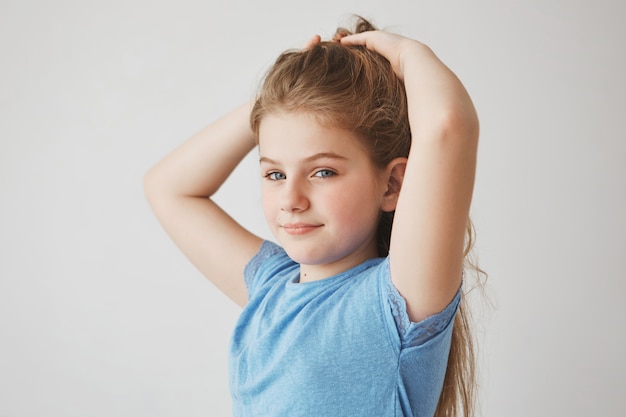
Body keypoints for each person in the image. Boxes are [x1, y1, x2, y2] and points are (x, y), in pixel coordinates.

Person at [144, 17, 482, 417]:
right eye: (275, 173)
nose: (291, 199)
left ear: (392, 186)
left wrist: (409, 55)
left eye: (323, 172)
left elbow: (448, 126)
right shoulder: (270, 289)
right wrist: (274, 104)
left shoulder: (398, 303)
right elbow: (167, 188)